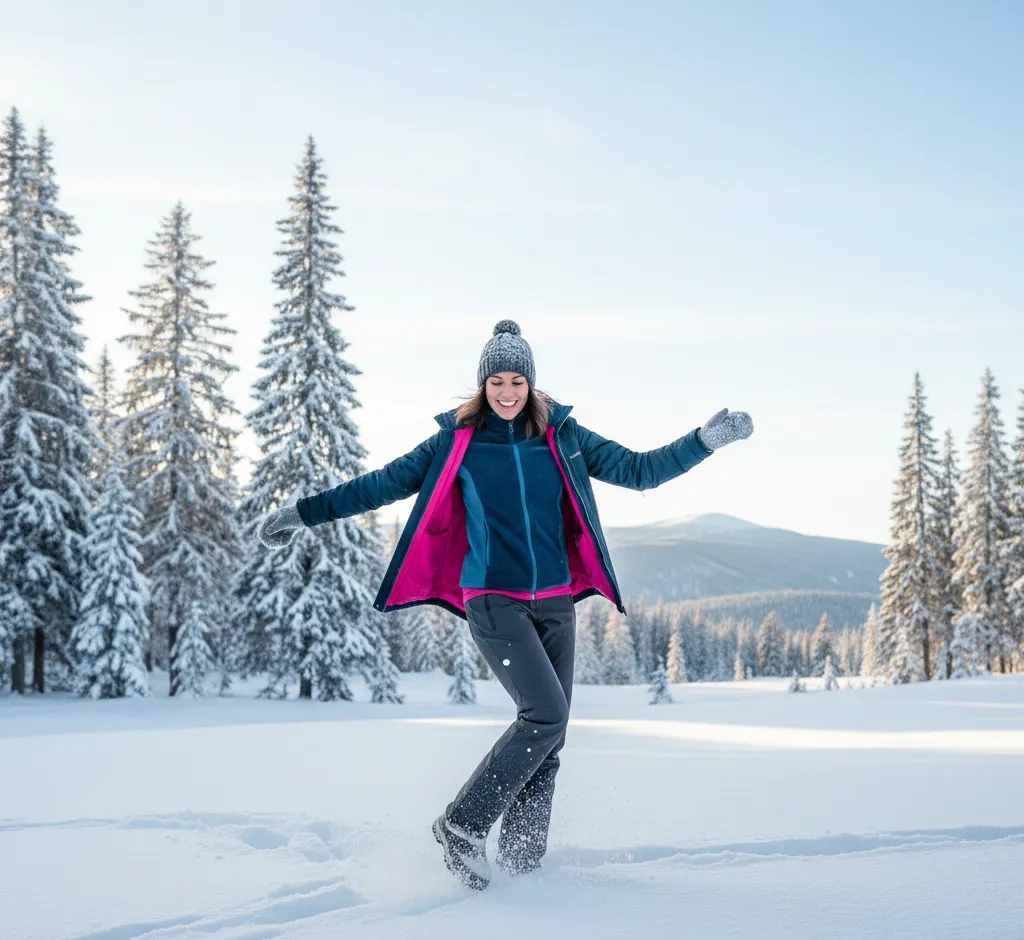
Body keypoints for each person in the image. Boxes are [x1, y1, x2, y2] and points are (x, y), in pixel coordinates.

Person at [259, 319, 754, 890]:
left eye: (517, 380)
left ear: (531, 383)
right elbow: (377, 486)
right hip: (494, 600)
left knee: (551, 737)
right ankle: (462, 825)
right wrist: (302, 514)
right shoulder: (456, 442)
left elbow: (640, 470)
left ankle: (523, 869)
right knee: (544, 715)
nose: (507, 391)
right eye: (496, 381)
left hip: (556, 602)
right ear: (482, 384)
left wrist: (704, 441)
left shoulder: (564, 435)